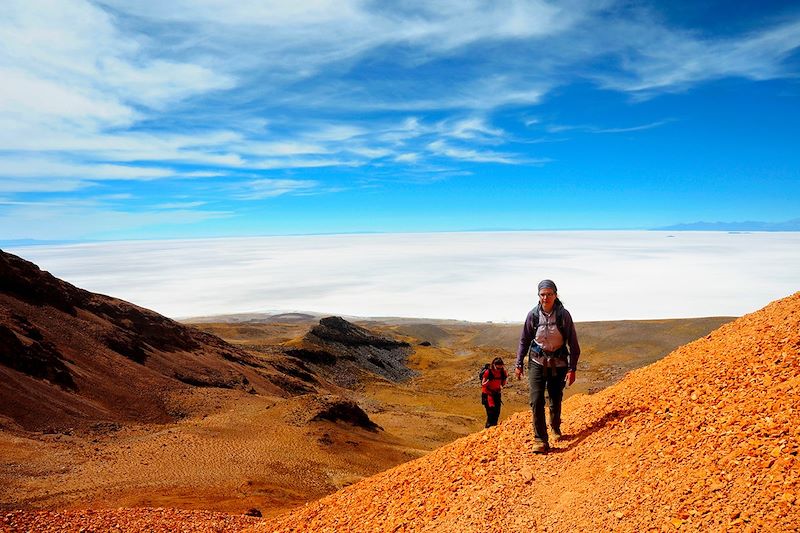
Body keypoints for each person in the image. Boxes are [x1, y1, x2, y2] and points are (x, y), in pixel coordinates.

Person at [515, 279, 580, 453]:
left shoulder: (563, 315)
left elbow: (573, 343)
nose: (546, 297)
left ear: (555, 295)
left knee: (555, 398)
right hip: (537, 362)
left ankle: (555, 427)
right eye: (542, 294)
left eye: (549, 294)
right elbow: (524, 340)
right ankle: (540, 440)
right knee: (536, 400)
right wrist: (519, 363)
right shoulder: (533, 315)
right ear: (538, 296)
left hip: (558, 364)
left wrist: (572, 369)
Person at [480, 357, 507, 428]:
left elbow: (503, 383)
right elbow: (483, 384)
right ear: (493, 365)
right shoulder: (488, 372)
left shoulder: (503, 372)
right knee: (490, 414)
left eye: (500, 368)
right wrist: (489, 380)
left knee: (496, 414)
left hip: (497, 394)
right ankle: (488, 430)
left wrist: (500, 386)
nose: (499, 369)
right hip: (488, 395)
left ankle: (493, 430)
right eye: (498, 368)